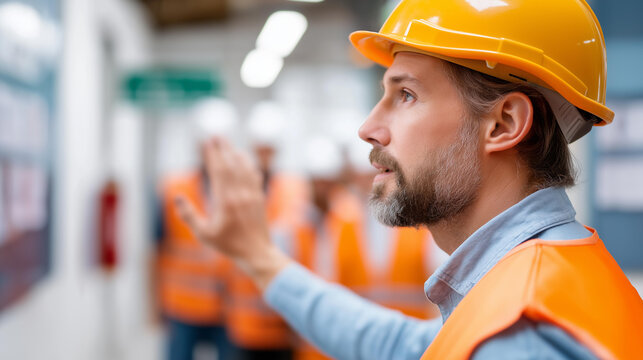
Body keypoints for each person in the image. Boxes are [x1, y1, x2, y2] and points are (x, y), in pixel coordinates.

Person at [174, 1, 643, 359]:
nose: (368, 128)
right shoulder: (539, 276)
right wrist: (257, 257)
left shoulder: (523, 334)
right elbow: (406, 346)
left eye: (406, 94)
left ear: (502, 123)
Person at [152, 97, 237, 360]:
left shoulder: (241, 192)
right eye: (207, 146)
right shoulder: (173, 189)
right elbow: (156, 249)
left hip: (227, 309)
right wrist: (154, 304)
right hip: (181, 308)